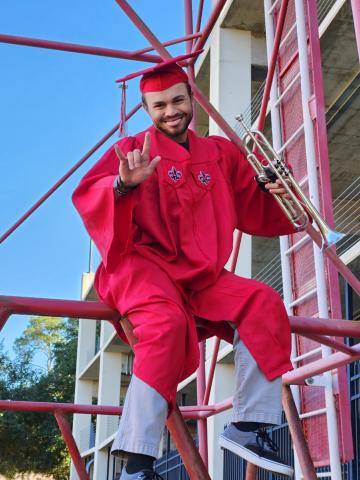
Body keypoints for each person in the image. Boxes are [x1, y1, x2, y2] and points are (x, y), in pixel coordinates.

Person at [73, 58, 295, 479]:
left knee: (263, 301)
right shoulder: (131, 151)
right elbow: (90, 196)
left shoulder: (221, 154)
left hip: (201, 275)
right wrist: (124, 186)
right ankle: (137, 465)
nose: (170, 111)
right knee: (167, 324)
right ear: (146, 109)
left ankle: (248, 426)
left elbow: (255, 208)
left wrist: (273, 191)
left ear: (192, 98)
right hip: (143, 267)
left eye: (178, 100)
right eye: (159, 106)